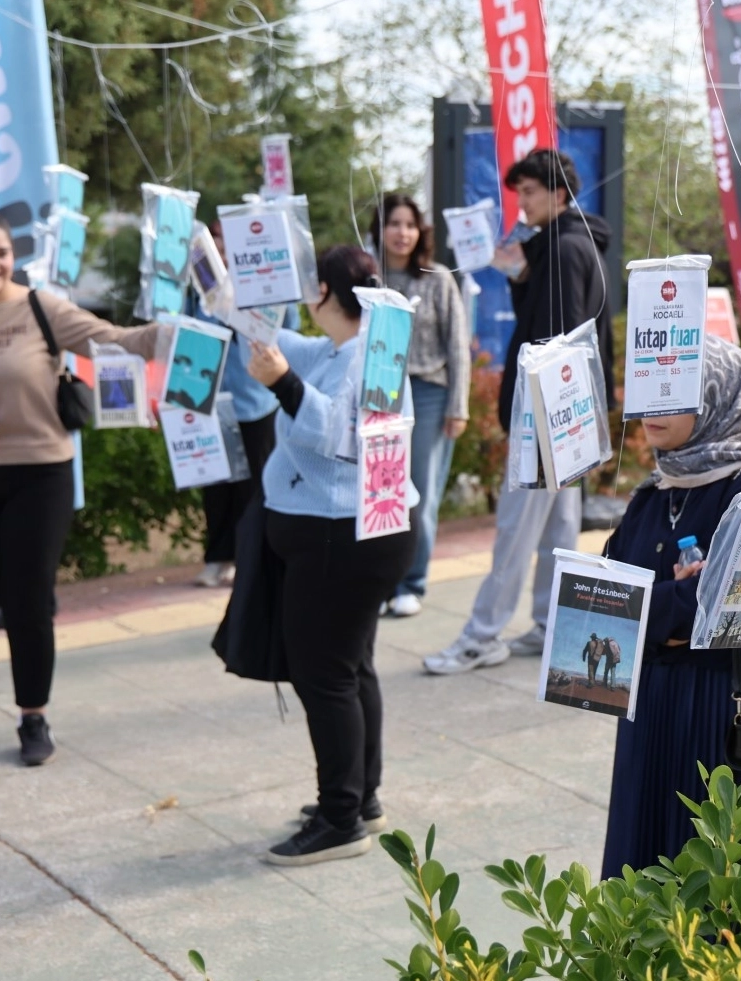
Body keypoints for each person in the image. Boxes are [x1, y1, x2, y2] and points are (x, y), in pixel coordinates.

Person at [245, 245, 419, 865]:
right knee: (350, 668)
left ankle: (341, 819)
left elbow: (344, 435)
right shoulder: (355, 346)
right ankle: (359, 797)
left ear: (322, 291)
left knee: (325, 676)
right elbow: (283, 343)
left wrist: (284, 385)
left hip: (341, 539)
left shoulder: (365, 358)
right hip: (355, 533)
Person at [0, 212, 167, 765]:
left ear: (12, 254)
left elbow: (116, 341)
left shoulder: (41, 308)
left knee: (27, 601)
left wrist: (179, 328)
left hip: (41, 474)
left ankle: (33, 718)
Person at [601, 337, 741, 878]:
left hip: (717, 709)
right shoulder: (654, 491)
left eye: (674, 395)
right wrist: (679, 609)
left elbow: (738, 615)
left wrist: (662, 611)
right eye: (650, 393)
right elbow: (605, 603)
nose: (651, 411)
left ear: (716, 397)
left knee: (716, 879)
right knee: (640, 865)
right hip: (649, 705)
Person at [424, 148, 614, 673]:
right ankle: (551, 623)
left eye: (529, 192)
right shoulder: (574, 244)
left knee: (517, 529)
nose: (521, 203)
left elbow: (557, 339)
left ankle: (482, 634)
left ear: (557, 194)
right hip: (568, 415)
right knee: (558, 531)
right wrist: (520, 275)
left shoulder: (562, 249)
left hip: (546, 416)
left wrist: (539, 423)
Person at [370, 193, 470, 618]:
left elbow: (458, 345)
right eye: (394, 223)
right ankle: (380, 582)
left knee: (420, 493)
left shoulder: (437, 277)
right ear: (380, 228)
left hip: (428, 392)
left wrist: (458, 406)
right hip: (380, 393)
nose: (402, 232)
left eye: (410, 224)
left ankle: (412, 581)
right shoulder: (368, 278)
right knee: (379, 490)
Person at [191, 220, 297, 589]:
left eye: (226, 242)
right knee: (216, 483)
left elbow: (288, 330)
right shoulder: (201, 287)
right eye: (215, 241)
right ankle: (217, 556)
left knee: (253, 484)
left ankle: (248, 556)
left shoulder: (263, 286)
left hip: (257, 400)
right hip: (210, 400)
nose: (221, 249)